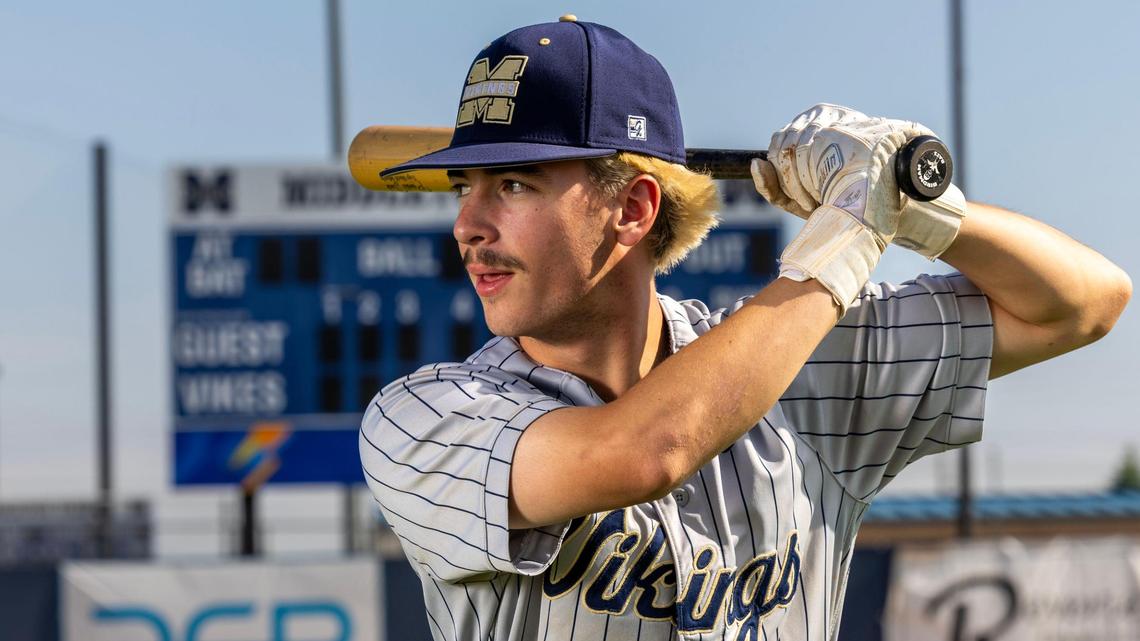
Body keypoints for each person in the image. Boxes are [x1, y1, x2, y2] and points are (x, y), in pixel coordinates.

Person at [358, 16, 1131, 641]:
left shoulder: (803, 361)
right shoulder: (422, 418)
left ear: (632, 209)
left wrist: (913, 204)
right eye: (467, 185)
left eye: (514, 184)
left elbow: (1085, 300)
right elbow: (645, 448)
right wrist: (850, 231)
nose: (468, 225)